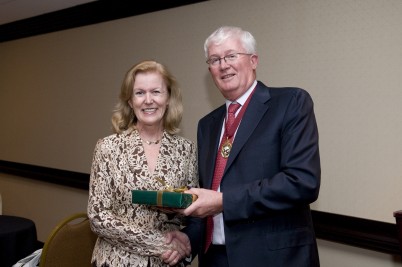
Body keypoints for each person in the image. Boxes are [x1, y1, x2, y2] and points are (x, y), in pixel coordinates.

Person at [182, 26, 321, 267]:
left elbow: (302, 182)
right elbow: (208, 195)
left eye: (231, 56)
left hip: (272, 258)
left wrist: (225, 201)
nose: (223, 65)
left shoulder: (291, 103)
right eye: (215, 60)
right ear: (210, 70)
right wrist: (186, 240)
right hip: (215, 259)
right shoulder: (207, 125)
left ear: (253, 60)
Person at [87, 60, 199, 267]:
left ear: (168, 98)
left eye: (156, 91)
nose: (148, 100)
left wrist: (182, 242)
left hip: (168, 262)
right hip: (116, 261)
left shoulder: (186, 149)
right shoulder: (108, 147)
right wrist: (159, 244)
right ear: (130, 101)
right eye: (139, 93)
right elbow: (98, 216)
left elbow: (190, 211)